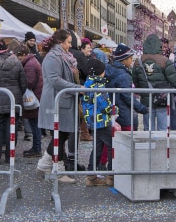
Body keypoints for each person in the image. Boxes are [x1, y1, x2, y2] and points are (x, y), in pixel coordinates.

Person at [36, 29, 84, 183]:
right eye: (69, 42)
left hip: (63, 100)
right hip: (56, 101)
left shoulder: (62, 56)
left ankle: (48, 165)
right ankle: (55, 168)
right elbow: (54, 80)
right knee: (60, 134)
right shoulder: (53, 57)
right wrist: (76, 88)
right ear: (60, 42)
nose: (70, 46)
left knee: (61, 134)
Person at [132, 34, 176, 131]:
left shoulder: (138, 62)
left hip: (146, 101)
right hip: (161, 99)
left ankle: (150, 146)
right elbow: (175, 81)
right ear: (158, 46)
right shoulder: (165, 61)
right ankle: (161, 146)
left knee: (148, 129)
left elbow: (135, 81)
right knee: (163, 128)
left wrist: (143, 92)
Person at [82, 58, 114, 187]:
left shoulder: (87, 84)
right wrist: (114, 109)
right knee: (112, 146)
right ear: (100, 73)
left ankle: (91, 175)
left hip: (92, 121)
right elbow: (105, 105)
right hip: (101, 121)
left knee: (97, 147)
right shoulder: (99, 86)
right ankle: (111, 175)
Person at [105, 44, 148, 131]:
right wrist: (141, 108)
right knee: (125, 139)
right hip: (123, 113)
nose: (132, 61)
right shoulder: (124, 75)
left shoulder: (108, 69)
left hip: (111, 111)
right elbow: (127, 96)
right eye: (130, 59)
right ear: (124, 60)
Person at [15, 45, 44, 158]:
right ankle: (36, 147)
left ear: (23, 55)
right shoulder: (32, 61)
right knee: (35, 123)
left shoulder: (29, 65)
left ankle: (37, 148)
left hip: (34, 98)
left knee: (35, 124)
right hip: (37, 96)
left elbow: (30, 83)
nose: (18, 59)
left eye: (19, 56)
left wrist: (21, 81)